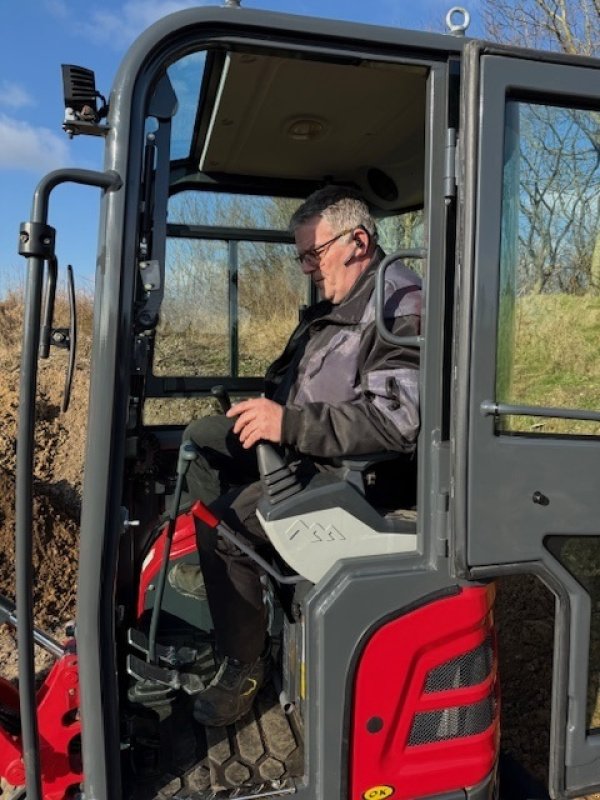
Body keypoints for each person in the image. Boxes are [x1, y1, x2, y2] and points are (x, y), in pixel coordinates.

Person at [179, 186, 421, 727]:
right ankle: (240, 584)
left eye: (314, 253)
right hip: (305, 442)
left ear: (358, 242)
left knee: (224, 525)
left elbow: (396, 423)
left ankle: (245, 663)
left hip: (355, 473)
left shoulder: (400, 306)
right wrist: (270, 413)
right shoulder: (342, 300)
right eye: (302, 257)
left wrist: (287, 424)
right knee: (205, 440)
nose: (307, 267)